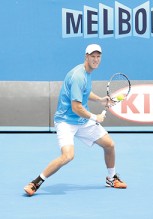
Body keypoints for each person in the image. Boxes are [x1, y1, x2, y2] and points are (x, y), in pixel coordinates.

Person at [24, 44, 127, 196]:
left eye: (98, 56)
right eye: (93, 56)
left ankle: (111, 178)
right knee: (68, 156)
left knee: (109, 145)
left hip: (82, 121)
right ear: (86, 57)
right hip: (66, 121)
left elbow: (84, 92)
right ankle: (36, 182)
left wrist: (100, 100)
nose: (96, 59)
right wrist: (95, 117)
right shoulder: (78, 76)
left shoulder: (86, 72)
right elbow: (76, 108)